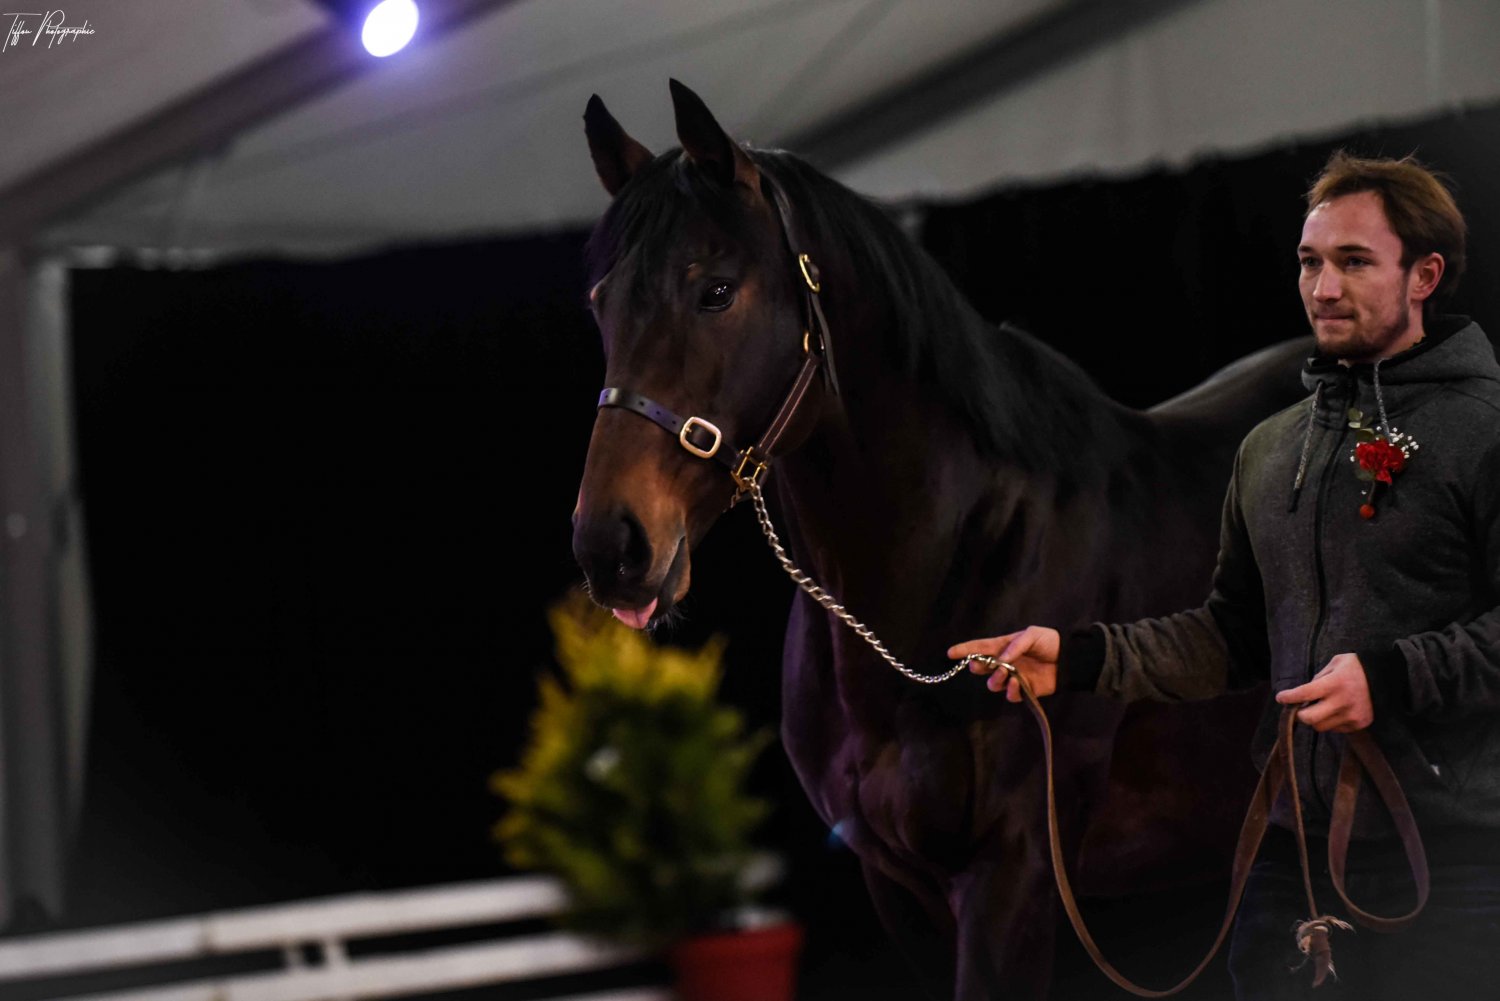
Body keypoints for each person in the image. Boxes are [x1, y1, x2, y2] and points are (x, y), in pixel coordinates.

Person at [949, 151, 1500, 999]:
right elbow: (1233, 632)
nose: (1323, 288)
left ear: (1424, 275)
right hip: (1294, 855)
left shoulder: (1486, 430)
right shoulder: (1270, 449)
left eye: (1355, 261)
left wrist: (1389, 676)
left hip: (1461, 859)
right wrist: (1081, 658)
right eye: (1310, 262)